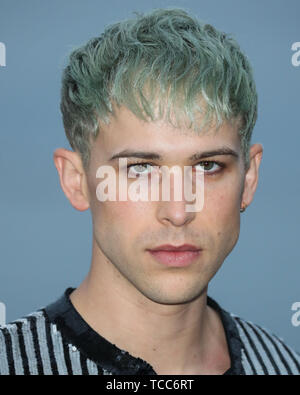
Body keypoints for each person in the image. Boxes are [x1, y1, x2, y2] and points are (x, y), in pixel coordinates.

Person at [0, 8, 299, 376]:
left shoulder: (284, 364)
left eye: (208, 166)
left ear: (249, 179)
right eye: (140, 168)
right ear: (76, 181)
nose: (178, 210)